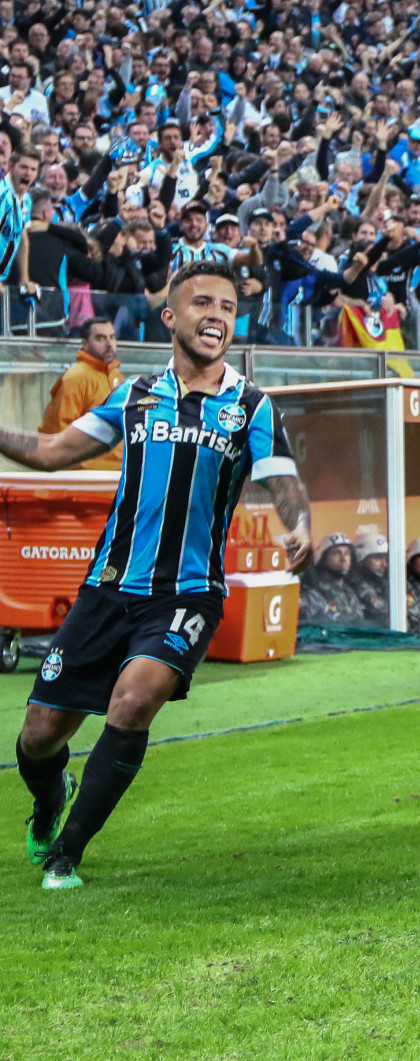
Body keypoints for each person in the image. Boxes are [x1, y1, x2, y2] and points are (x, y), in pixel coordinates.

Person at [4, 259, 312, 890]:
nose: (217, 316)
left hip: (188, 594)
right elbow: (52, 453)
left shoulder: (252, 406)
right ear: (170, 317)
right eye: (203, 304)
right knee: (38, 736)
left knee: (134, 700)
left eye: (227, 308)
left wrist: (300, 523)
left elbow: (282, 480)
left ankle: (66, 853)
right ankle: (50, 796)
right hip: (108, 587)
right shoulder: (134, 395)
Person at [39, 318, 122, 472]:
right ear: (85, 343)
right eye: (100, 338)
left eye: (112, 337)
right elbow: (57, 433)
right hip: (86, 476)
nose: (109, 344)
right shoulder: (75, 378)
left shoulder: (116, 376)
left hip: (117, 474)